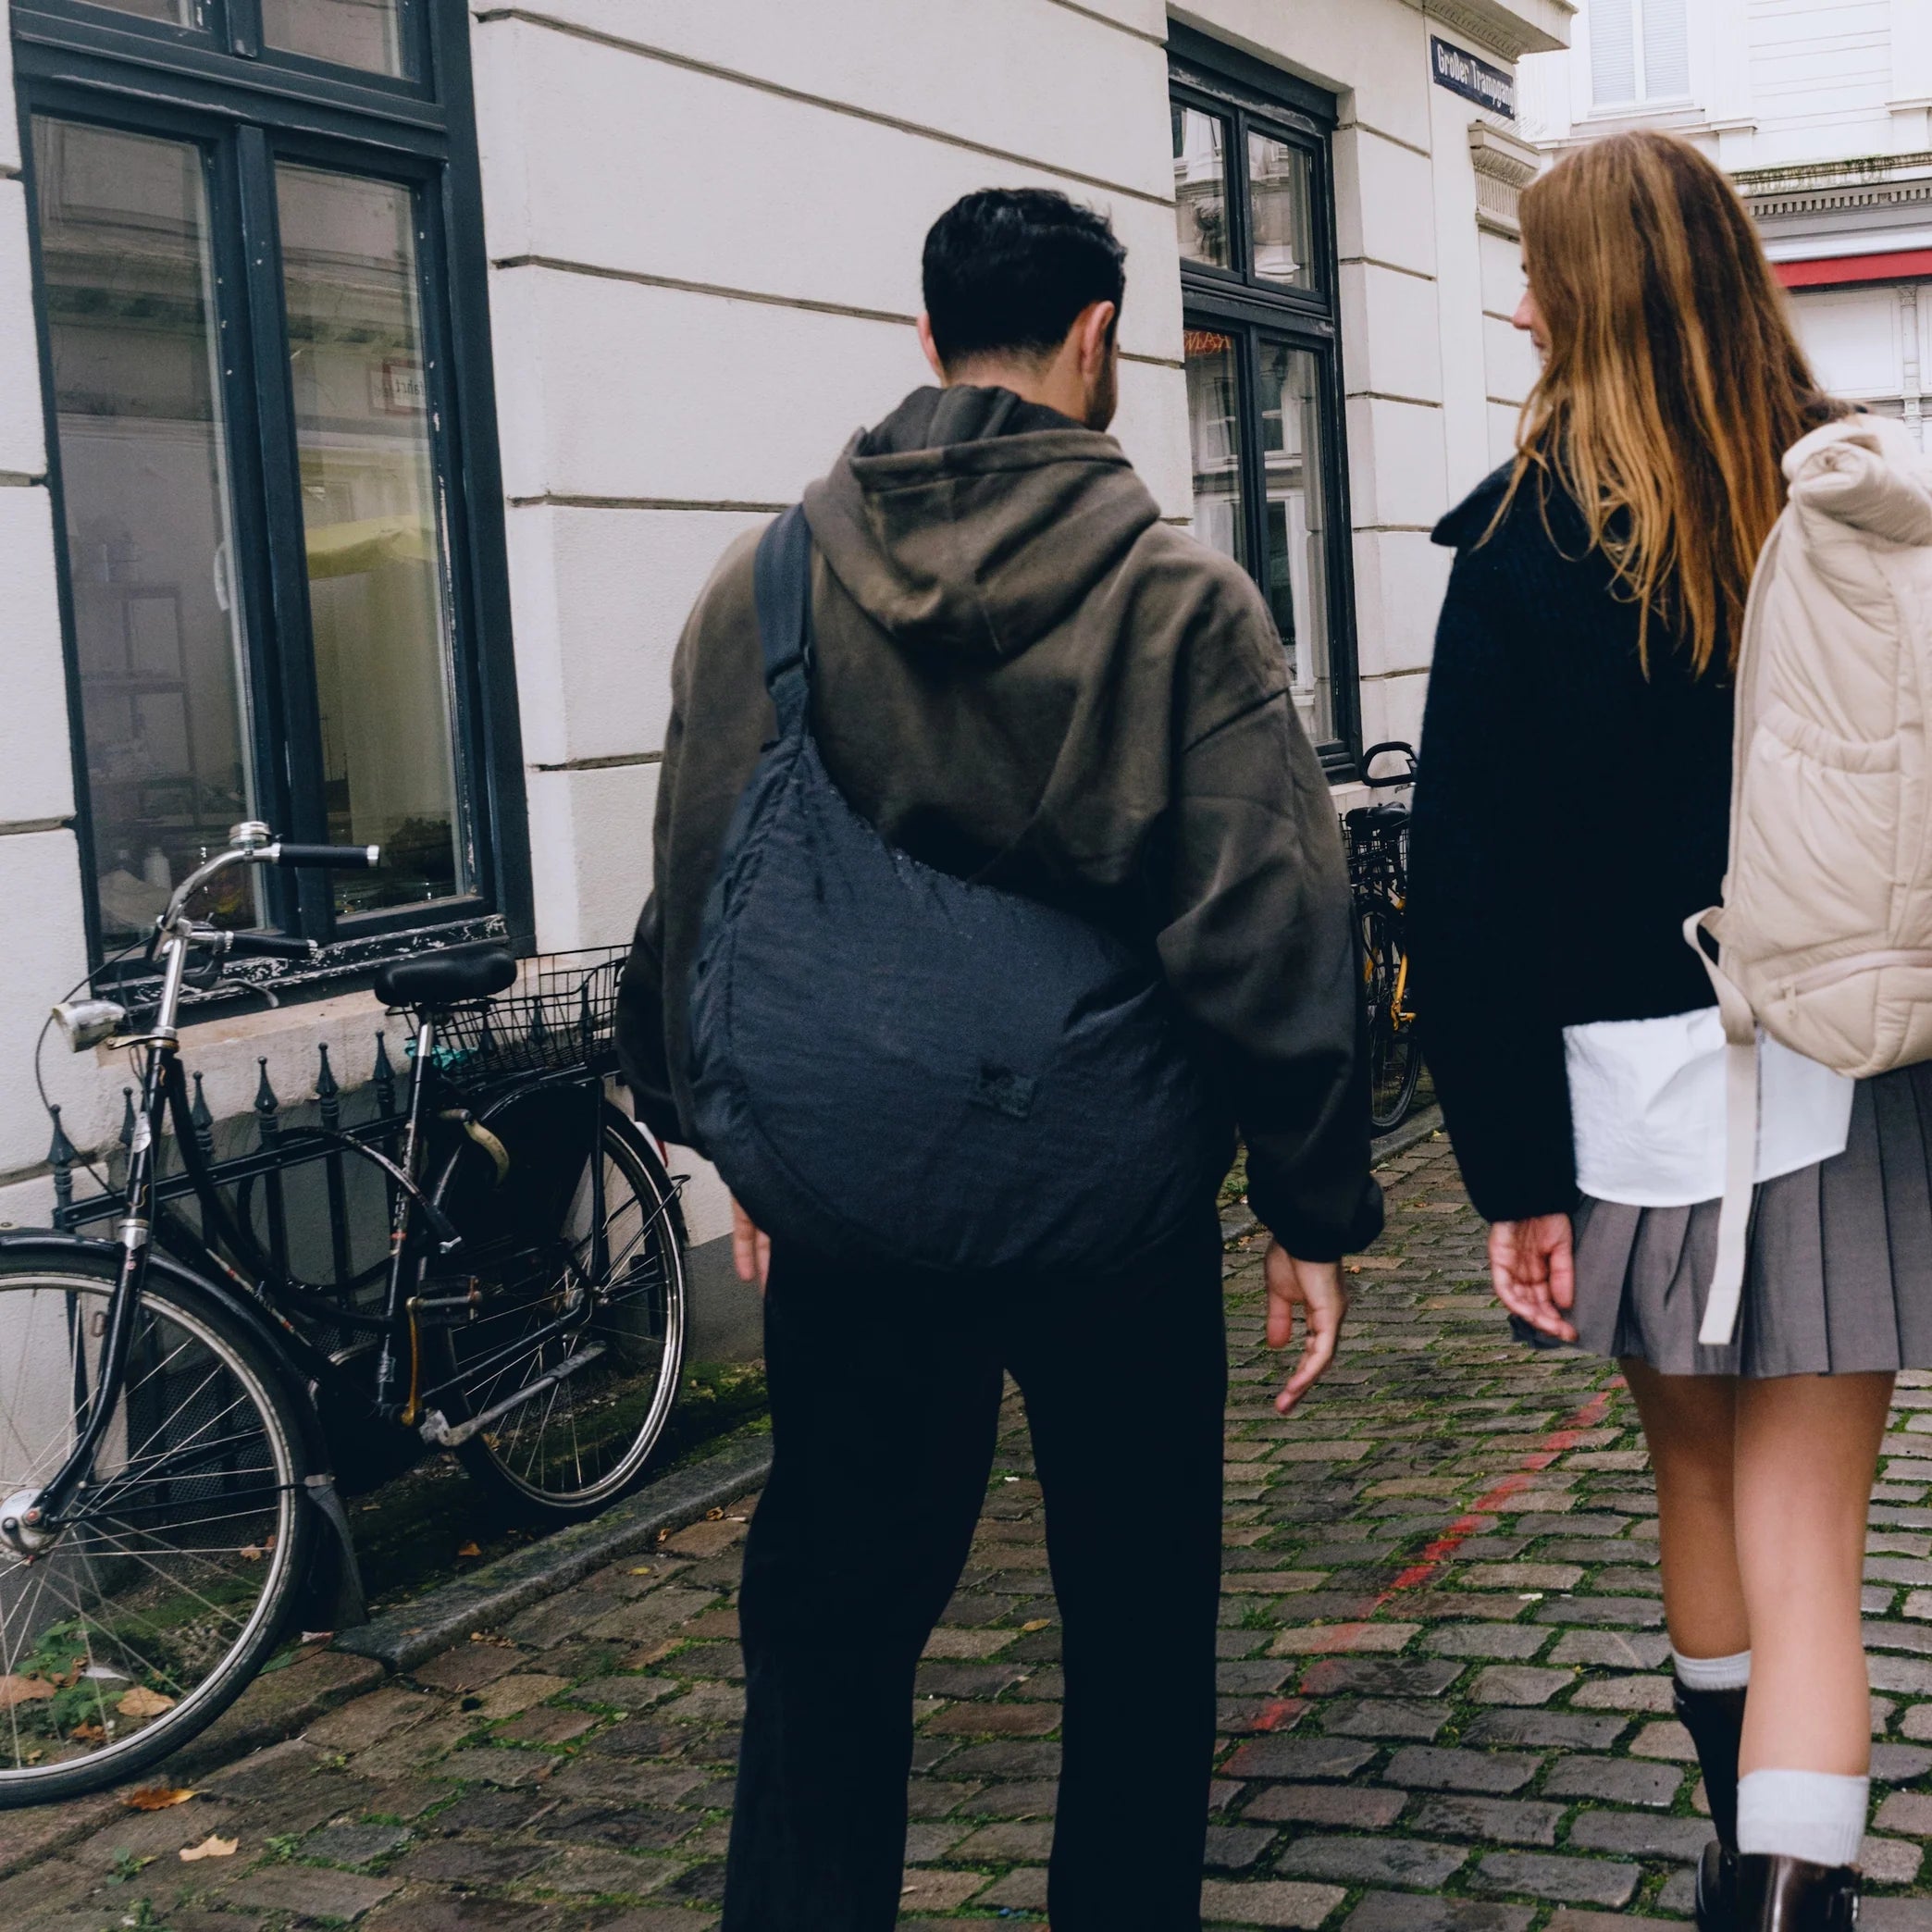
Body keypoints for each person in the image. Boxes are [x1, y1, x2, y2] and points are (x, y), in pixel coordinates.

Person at [617, 187, 1382, 1932]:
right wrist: (1309, 1202)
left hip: (856, 1199)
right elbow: (1268, 912)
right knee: (1137, 1612)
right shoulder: (1179, 600)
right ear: (1099, 338)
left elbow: (695, 874)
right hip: (1114, 1198)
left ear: (928, 336)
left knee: (830, 1614)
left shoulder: (765, 584)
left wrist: (731, 1132)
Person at [1408, 130, 1906, 1932]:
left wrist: (1510, 1178)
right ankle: (1782, 1895)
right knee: (1811, 1540)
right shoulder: (1852, 500)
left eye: (1536, 274)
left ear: (1590, 294)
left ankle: (1735, 1844)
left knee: (1696, 1482)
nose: (1519, 307)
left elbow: (1463, 892)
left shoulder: (1518, 545)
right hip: (1838, 1058)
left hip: (1629, 1089)